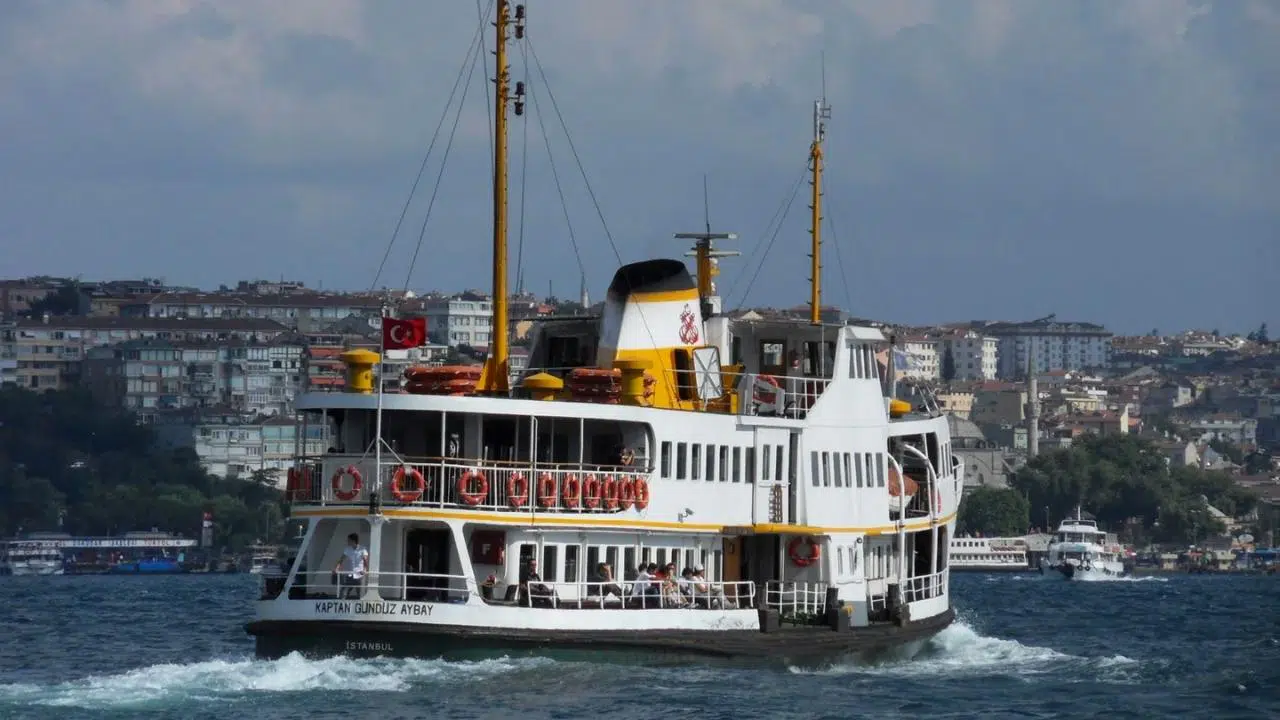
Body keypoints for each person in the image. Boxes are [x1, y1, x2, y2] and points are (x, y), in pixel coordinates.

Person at [333, 532, 368, 599]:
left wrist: (364, 570)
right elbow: (341, 560)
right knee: (343, 593)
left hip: (360, 575)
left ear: (353, 541)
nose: (347, 541)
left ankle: (360, 606)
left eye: (348, 540)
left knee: (360, 594)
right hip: (350, 574)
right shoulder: (347, 549)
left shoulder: (363, 549)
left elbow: (365, 561)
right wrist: (336, 568)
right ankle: (342, 605)